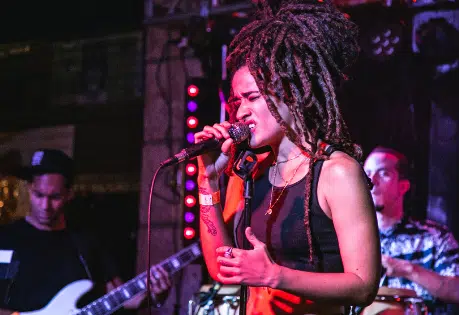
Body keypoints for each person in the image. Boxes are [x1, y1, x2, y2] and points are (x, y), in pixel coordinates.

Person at [194, 0, 382, 314]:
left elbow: (363, 285)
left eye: (252, 97)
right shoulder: (249, 173)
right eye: (235, 100)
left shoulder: (336, 172)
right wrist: (207, 179)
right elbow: (222, 268)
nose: (240, 111)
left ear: (291, 93)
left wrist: (274, 275)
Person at [0, 149, 172, 314]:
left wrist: (155, 295)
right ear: (29, 189)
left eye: (55, 197)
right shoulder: (5, 240)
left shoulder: (85, 242)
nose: (45, 206)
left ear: (69, 194)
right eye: (39, 195)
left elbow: (121, 297)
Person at [362, 146, 459, 314]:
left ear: (403, 186)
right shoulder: (349, 238)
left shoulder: (434, 237)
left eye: (383, 173)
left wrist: (408, 269)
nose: (372, 180)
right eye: (367, 173)